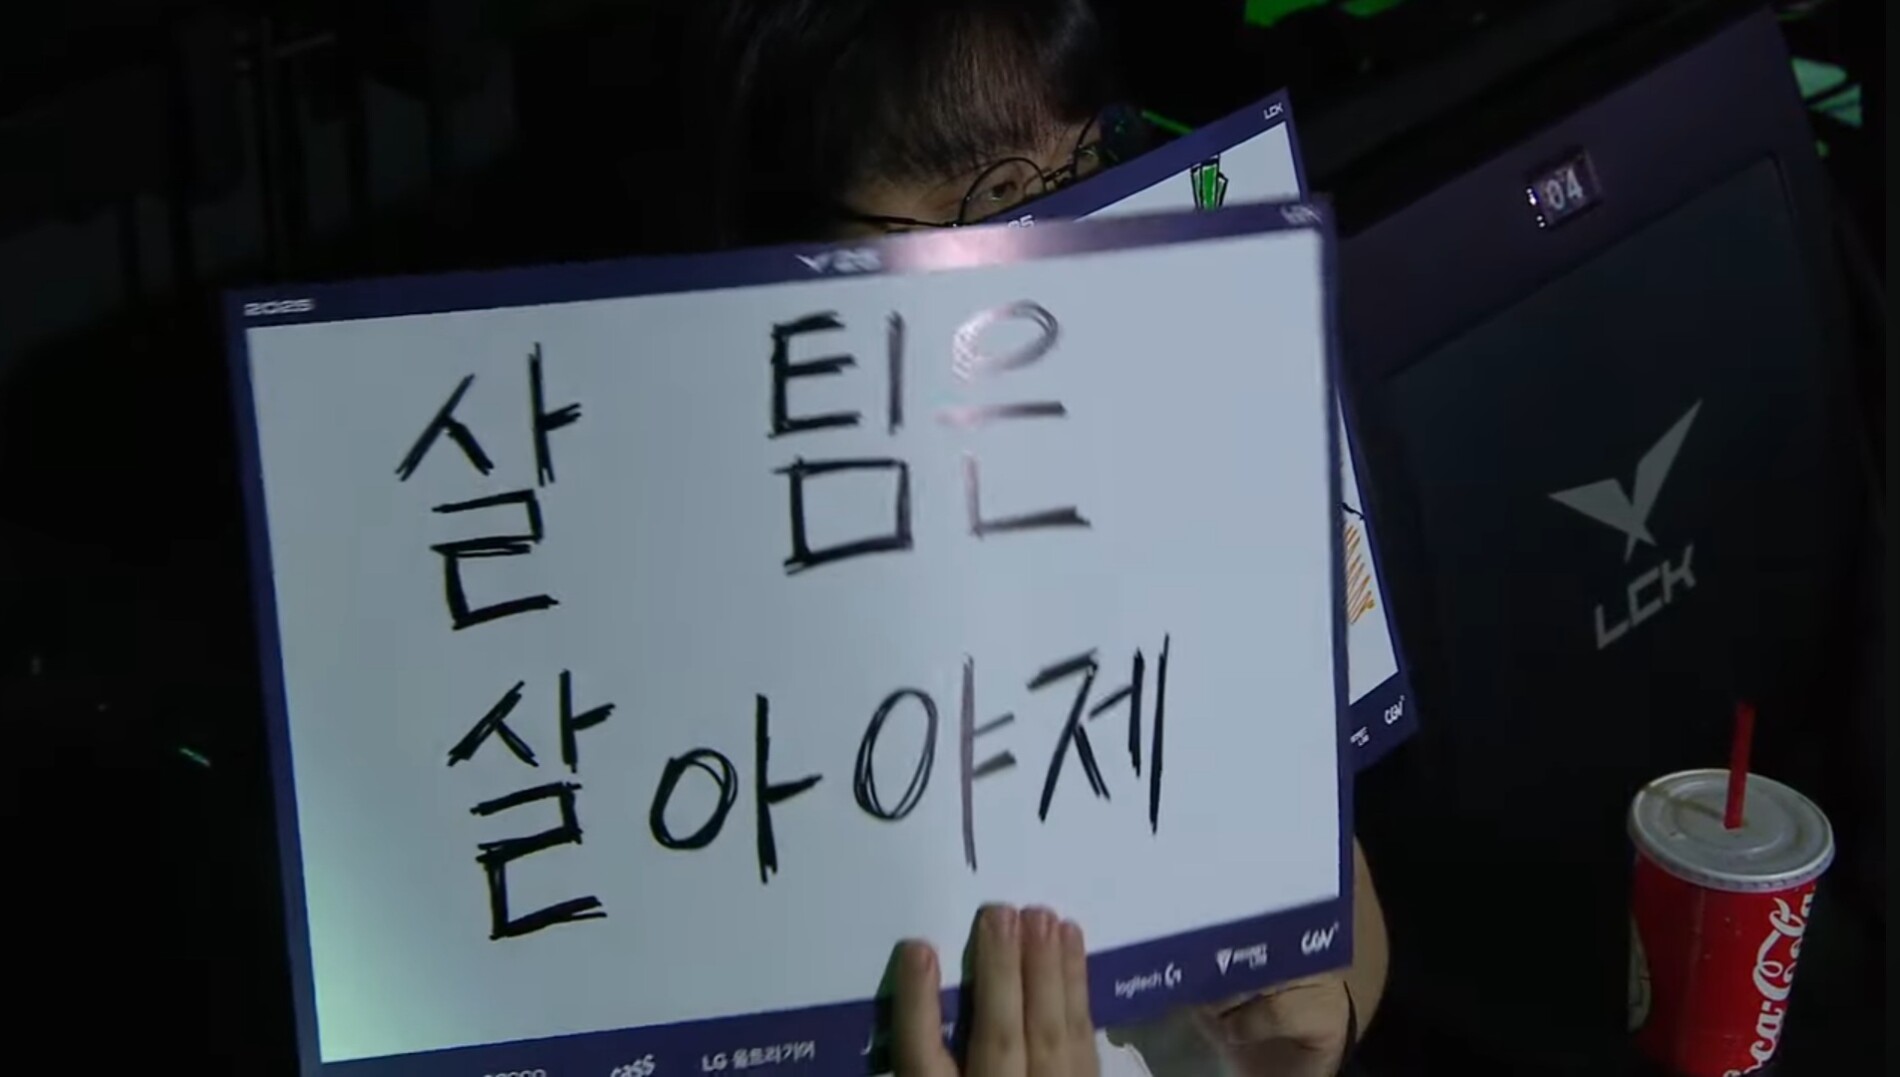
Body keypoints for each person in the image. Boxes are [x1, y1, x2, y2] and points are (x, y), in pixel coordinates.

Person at [687, 2, 1391, 1073]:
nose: (1067, 233)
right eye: (992, 197)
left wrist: (1322, 1009)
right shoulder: (722, 697)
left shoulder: (1182, 471)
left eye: (1091, 161)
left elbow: (1347, 911)